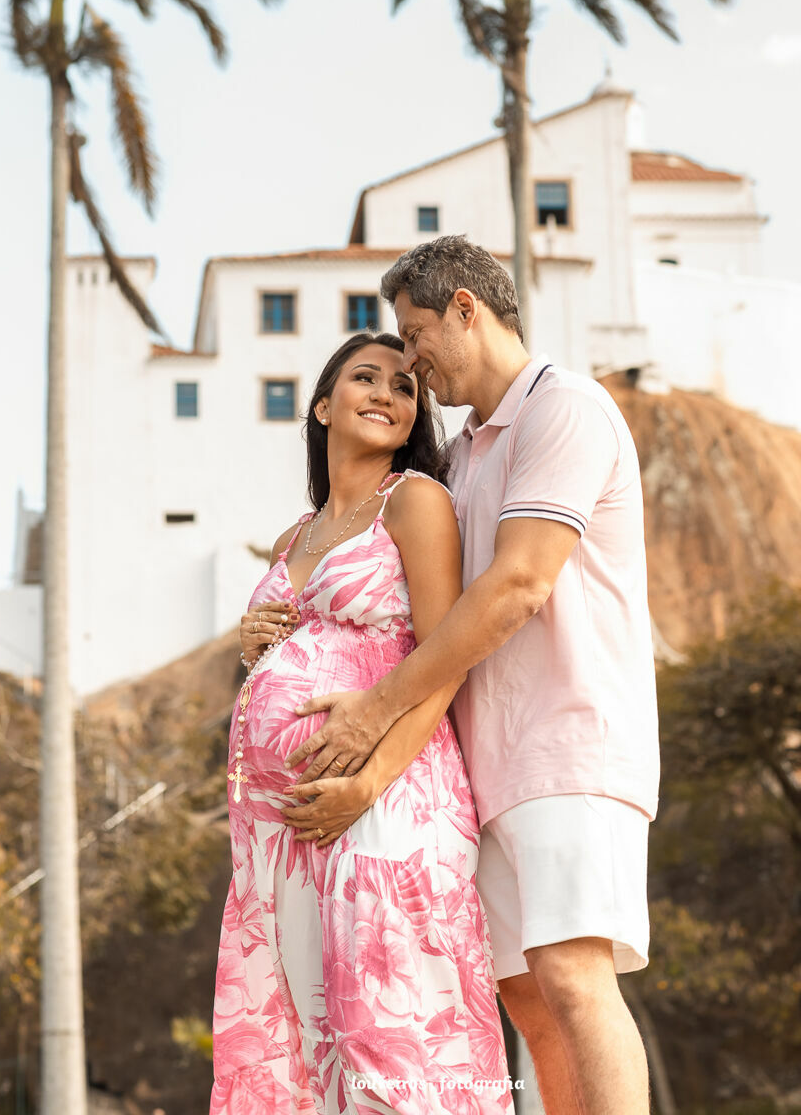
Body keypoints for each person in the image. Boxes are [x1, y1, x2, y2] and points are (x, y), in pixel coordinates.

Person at [257, 237, 659, 1115]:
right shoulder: (469, 453)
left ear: (466, 308)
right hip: (487, 768)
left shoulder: (567, 410)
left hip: (569, 740)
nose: (410, 359)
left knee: (575, 975)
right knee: (525, 996)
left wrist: (374, 715)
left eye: (415, 334)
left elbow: (518, 585)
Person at [211, 329, 512, 1115]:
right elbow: (295, 648)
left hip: (391, 797)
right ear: (322, 405)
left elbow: (447, 656)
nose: (388, 393)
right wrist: (256, 645)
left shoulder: (415, 502)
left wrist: (370, 781)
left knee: (395, 1039)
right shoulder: (291, 539)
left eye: (404, 388)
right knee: (311, 1050)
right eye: (366, 378)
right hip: (286, 836)